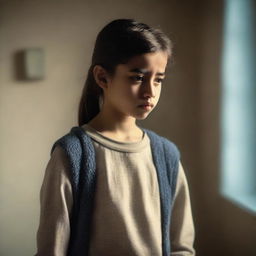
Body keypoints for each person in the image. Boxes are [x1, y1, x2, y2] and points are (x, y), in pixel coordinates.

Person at [35, 19, 195, 256]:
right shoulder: (72, 156)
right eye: (137, 77)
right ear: (102, 77)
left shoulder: (166, 155)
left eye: (158, 79)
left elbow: (181, 246)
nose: (150, 91)